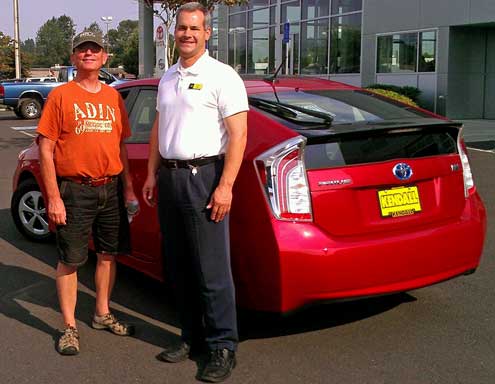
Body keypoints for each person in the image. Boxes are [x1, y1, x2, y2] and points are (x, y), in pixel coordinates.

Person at [142, 2, 248, 382]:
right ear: (176, 33)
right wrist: (153, 174)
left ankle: (223, 346)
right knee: (180, 265)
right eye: (182, 28)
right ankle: (192, 337)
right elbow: (159, 128)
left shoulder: (223, 76)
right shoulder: (168, 76)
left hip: (204, 177)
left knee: (212, 269)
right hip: (170, 179)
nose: (186, 33)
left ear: (207, 33)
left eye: (194, 28)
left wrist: (225, 186)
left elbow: (239, 135)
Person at [37, 30, 137, 356]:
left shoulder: (113, 98)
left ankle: (101, 313)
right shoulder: (61, 96)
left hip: (110, 188)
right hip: (74, 191)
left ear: (105, 57)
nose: (89, 54)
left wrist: (129, 189)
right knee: (70, 260)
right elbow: (46, 149)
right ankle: (68, 327)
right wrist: (53, 197)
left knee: (108, 254)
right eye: (82, 50)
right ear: (74, 58)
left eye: (95, 49)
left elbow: (121, 146)